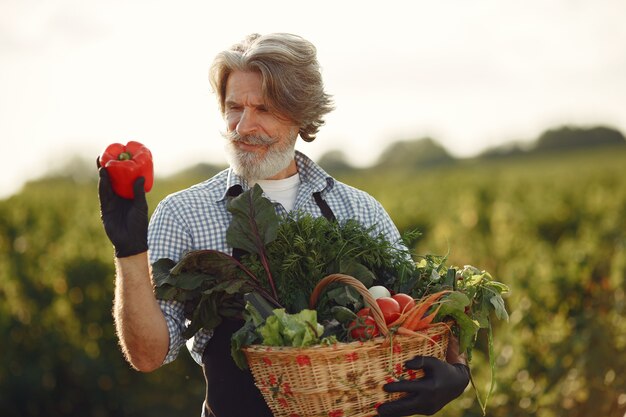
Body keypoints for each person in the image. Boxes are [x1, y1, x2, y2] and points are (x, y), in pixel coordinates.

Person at [98, 32, 469, 417]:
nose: (244, 126)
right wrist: (128, 252)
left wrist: (455, 371)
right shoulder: (185, 213)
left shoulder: (359, 210)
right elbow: (148, 356)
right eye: (234, 107)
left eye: (264, 109)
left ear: (301, 114)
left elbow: (417, 311)